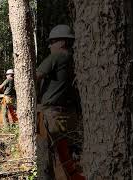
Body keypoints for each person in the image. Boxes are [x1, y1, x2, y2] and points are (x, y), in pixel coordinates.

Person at [36, 24, 85, 180]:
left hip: (53, 116)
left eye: (52, 42)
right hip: (68, 115)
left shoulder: (57, 56)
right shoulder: (74, 59)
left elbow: (34, 76)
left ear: (62, 42)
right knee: (70, 158)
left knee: (57, 160)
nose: (50, 46)